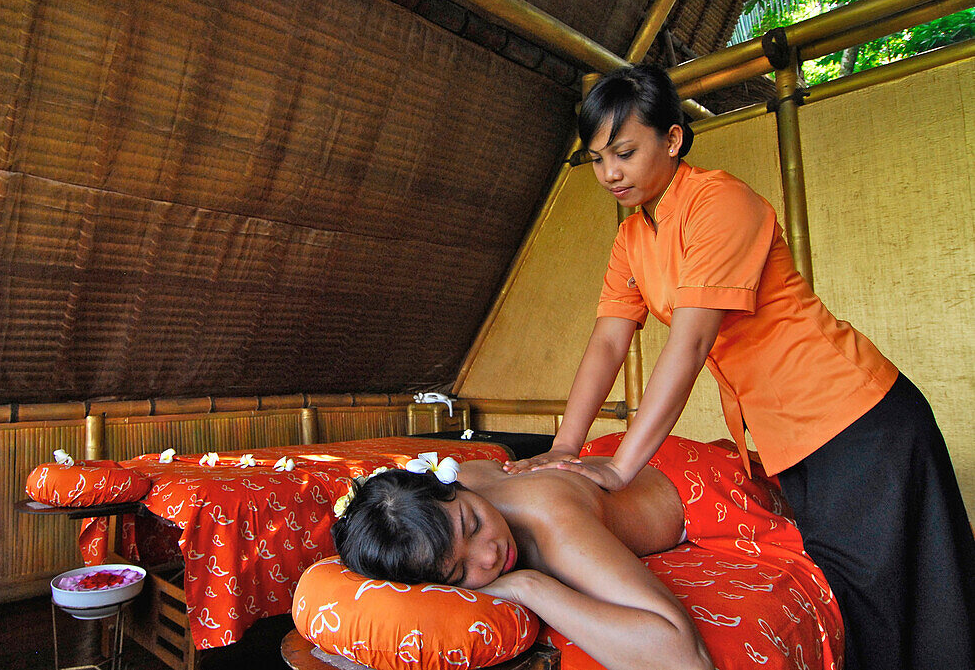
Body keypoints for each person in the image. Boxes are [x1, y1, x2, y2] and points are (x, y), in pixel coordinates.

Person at [504, 63, 975, 670]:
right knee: (849, 594)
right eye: (596, 160)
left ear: (672, 140)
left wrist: (622, 468)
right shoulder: (633, 239)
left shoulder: (718, 202)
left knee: (887, 604)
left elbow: (692, 343)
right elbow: (606, 343)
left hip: (857, 420)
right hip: (791, 440)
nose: (610, 173)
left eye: (623, 152)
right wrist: (564, 446)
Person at [333, 450, 713, 670]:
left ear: (455, 486)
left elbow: (685, 658)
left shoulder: (553, 523)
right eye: (461, 571)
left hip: (696, 484)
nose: (490, 554)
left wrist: (530, 587)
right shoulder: (467, 479)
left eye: (473, 524)